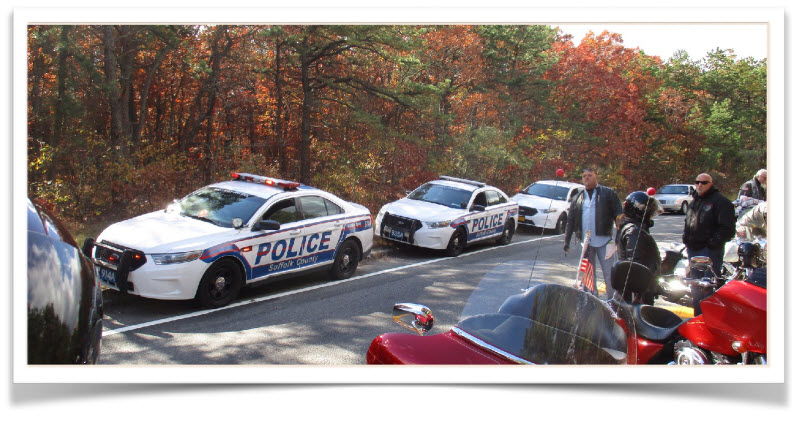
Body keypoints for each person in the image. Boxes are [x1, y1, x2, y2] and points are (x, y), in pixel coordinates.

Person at [564, 167, 623, 299]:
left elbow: (619, 217)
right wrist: (566, 241)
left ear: (596, 177)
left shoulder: (608, 194)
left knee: (609, 273)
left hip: (604, 241)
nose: (587, 178)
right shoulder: (578, 198)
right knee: (588, 275)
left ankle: (613, 301)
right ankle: (592, 299)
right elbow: (571, 221)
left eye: (590, 175)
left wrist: (618, 238)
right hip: (586, 243)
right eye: (584, 175)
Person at [682, 173, 736, 315]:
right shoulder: (694, 201)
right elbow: (689, 223)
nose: (700, 184)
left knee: (707, 287)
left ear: (711, 184)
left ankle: (709, 319)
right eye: (697, 181)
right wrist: (686, 240)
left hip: (709, 252)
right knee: (695, 287)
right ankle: (698, 318)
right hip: (693, 250)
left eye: (704, 182)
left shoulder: (720, 202)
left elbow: (727, 229)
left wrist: (712, 243)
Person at [615, 191, 663, 304]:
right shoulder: (634, 231)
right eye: (650, 212)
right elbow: (635, 264)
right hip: (639, 290)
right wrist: (640, 293)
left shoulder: (633, 227)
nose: (651, 215)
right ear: (640, 211)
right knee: (641, 318)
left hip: (639, 287)